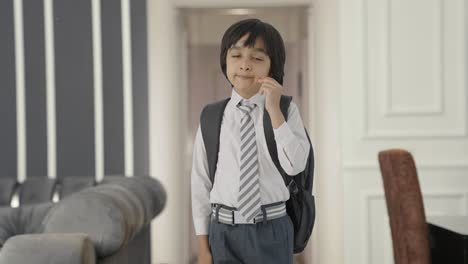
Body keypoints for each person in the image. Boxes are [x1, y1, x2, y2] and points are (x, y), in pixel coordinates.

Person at [191, 18, 310, 264]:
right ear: (225, 61)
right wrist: (203, 249)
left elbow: (296, 165)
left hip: (273, 230)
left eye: (257, 58)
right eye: (236, 56)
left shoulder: (287, 110)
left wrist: (274, 110)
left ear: (272, 67)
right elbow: (200, 184)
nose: (245, 65)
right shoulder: (211, 116)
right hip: (222, 232)